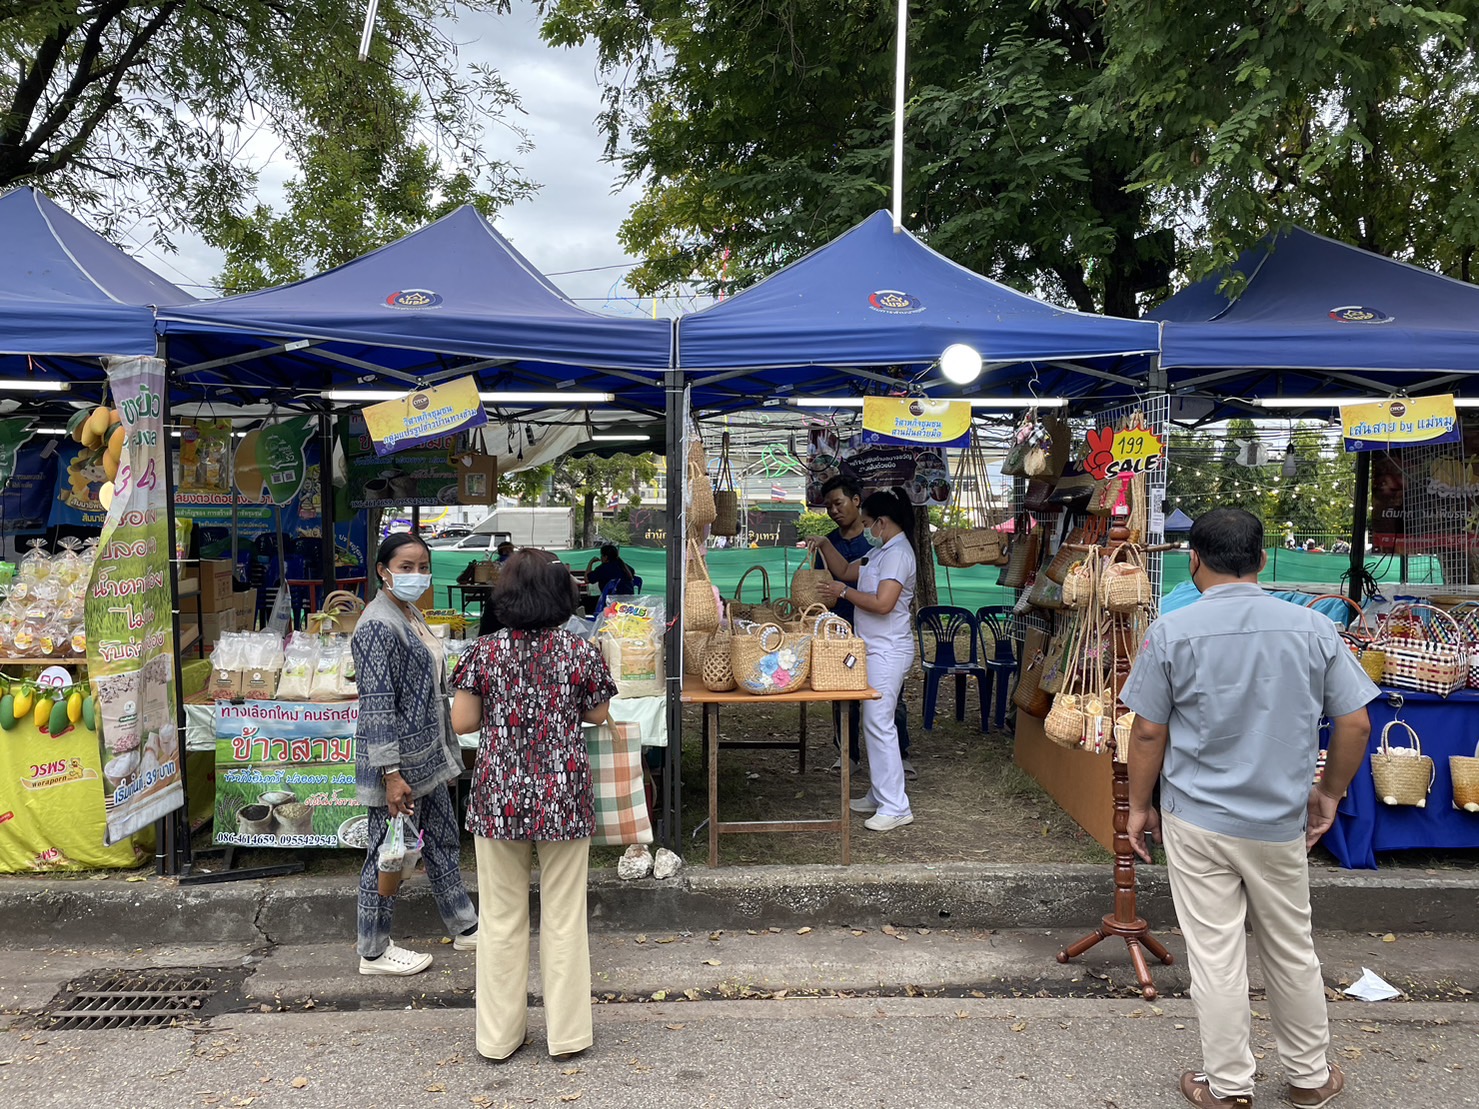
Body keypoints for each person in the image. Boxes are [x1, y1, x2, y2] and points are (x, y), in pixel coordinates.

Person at [1120, 508, 1377, 1109]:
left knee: (1216, 955)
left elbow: (1148, 732)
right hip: (1279, 821)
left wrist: (1138, 807)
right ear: (1262, 560)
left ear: (1193, 561)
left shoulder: (1171, 631)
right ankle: (1310, 1078)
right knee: (1291, 948)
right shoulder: (1314, 628)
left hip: (1196, 818)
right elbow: (1357, 723)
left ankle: (1229, 1086)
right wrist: (1328, 793)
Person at [450, 549, 618, 1062]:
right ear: (562, 595)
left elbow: (463, 722)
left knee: (500, 917)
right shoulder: (580, 651)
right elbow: (597, 714)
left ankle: (498, 1038)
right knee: (565, 916)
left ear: (505, 594)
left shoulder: (483, 652)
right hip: (563, 794)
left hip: (498, 795)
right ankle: (568, 1036)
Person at [351, 532, 478, 977]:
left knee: (442, 841)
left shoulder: (410, 613)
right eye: (406, 567)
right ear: (383, 571)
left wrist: (444, 754)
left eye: (423, 566)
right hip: (397, 766)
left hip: (426, 758)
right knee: (387, 855)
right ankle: (373, 951)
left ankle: (465, 925)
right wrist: (391, 774)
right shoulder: (376, 625)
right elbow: (377, 705)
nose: (417, 574)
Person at [814, 486, 917, 832]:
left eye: (869, 523)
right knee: (874, 723)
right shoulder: (880, 552)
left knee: (879, 723)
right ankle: (880, 792)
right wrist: (824, 543)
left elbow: (883, 603)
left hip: (889, 650)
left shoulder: (898, 554)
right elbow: (845, 570)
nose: (867, 529)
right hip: (871, 648)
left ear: (882, 522)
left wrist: (844, 593)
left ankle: (896, 806)